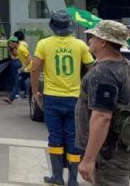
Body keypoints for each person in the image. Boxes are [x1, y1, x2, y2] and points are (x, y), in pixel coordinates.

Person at [76, 20, 130, 186]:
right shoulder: (128, 65)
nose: (89, 40)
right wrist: (128, 113)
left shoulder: (104, 72)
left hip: (110, 154)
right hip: (129, 151)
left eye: (93, 37)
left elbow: (102, 117)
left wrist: (88, 160)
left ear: (103, 41)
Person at [31, 10, 94, 186]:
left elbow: (35, 69)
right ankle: (73, 180)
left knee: (55, 136)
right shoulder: (80, 45)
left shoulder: (43, 44)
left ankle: (57, 177)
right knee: (73, 137)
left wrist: (36, 91)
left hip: (51, 96)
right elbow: (92, 68)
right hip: (75, 97)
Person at [5, 33, 32, 104]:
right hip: (26, 69)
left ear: (15, 43)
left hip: (30, 69)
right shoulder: (18, 48)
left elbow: (29, 57)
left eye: (11, 43)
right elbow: (15, 54)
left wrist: (23, 66)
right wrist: (10, 50)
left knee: (32, 83)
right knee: (17, 82)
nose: (10, 45)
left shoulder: (21, 48)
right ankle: (11, 99)